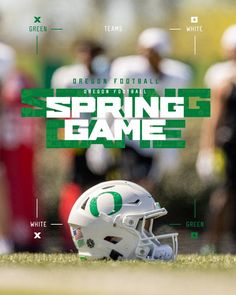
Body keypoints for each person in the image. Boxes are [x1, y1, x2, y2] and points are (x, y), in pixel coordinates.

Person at [106, 28, 192, 191]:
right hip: (129, 137)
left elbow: (174, 114)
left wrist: (171, 145)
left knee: (150, 188)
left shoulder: (177, 75)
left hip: (156, 138)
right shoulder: (128, 71)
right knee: (133, 186)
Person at [51, 40, 112, 250]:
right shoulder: (66, 76)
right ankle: (71, 238)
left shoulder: (108, 76)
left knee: (101, 187)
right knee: (74, 185)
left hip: (102, 138)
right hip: (77, 137)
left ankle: (101, 235)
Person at [196, 24, 236, 253]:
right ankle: (212, 244)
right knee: (225, 193)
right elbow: (213, 119)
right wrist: (207, 150)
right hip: (230, 144)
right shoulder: (225, 82)